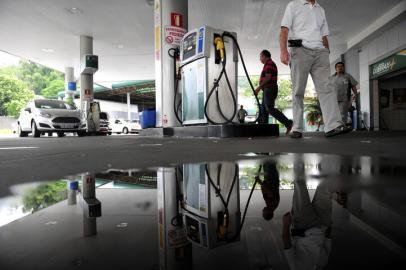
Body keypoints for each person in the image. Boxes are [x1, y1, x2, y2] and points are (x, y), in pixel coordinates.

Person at [280, 0, 352, 138]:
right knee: (298, 90)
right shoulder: (293, 5)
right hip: (300, 50)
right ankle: (297, 128)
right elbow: (284, 29)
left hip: (320, 52)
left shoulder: (321, 10)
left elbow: (324, 34)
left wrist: (327, 51)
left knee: (327, 88)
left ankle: (333, 126)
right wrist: (283, 50)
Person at [282, 159, 332, 270]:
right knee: (327, 187)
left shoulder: (296, 267)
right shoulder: (323, 264)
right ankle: (326, 158)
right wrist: (328, 224)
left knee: (300, 185)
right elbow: (327, 241)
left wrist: (286, 225)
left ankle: (298, 153)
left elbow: (287, 245)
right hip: (322, 223)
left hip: (303, 225)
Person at [254, 50, 293, 135]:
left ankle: (288, 123)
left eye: (261, 56)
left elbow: (268, 78)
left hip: (270, 89)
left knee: (269, 109)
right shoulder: (267, 64)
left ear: (265, 56)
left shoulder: (269, 64)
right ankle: (264, 130)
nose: (260, 59)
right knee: (264, 109)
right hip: (267, 89)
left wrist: (258, 88)